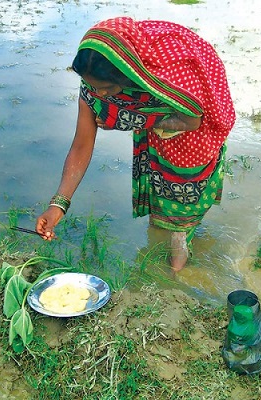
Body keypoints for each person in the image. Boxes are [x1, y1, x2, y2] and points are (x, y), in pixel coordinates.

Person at [35, 17, 236, 272]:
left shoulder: (173, 78)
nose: (100, 95)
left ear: (130, 77)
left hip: (192, 134)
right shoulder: (96, 81)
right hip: (155, 122)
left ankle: (176, 265)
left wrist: (131, 119)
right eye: (92, 86)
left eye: (106, 88)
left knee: (183, 195)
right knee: (157, 182)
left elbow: (192, 121)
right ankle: (163, 235)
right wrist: (58, 205)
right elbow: (81, 145)